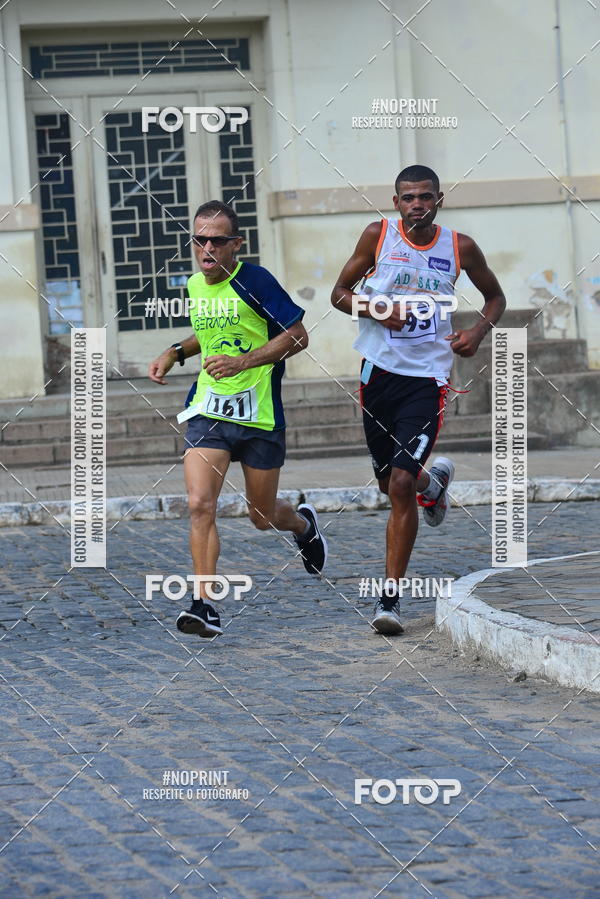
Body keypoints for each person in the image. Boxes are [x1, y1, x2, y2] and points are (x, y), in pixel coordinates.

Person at [331, 165, 506, 636]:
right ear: (396, 203)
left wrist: (478, 332)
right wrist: (376, 308)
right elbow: (338, 295)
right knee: (390, 485)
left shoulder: (460, 247)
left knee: (400, 484)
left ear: (439, 200)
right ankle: (435, 485)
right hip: (378, 374)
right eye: (408, 198)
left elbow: (495, 298)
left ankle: (389, 601)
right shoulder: (378, 236)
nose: (417, 205)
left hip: (428, 379)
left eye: (425, 197)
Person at [149, 200, 327, 638]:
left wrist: (243, 362)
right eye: (199, 239)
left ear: (236, 245)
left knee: (261, 516)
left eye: (217, 241)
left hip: (259, 414)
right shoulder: (195, 285)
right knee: (199, 504)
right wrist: (176, 352)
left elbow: (297, 336)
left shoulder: (256, 281)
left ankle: (303, 525)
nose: (206, 248)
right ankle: (204, 604)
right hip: (209, 409)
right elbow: (210, 332)